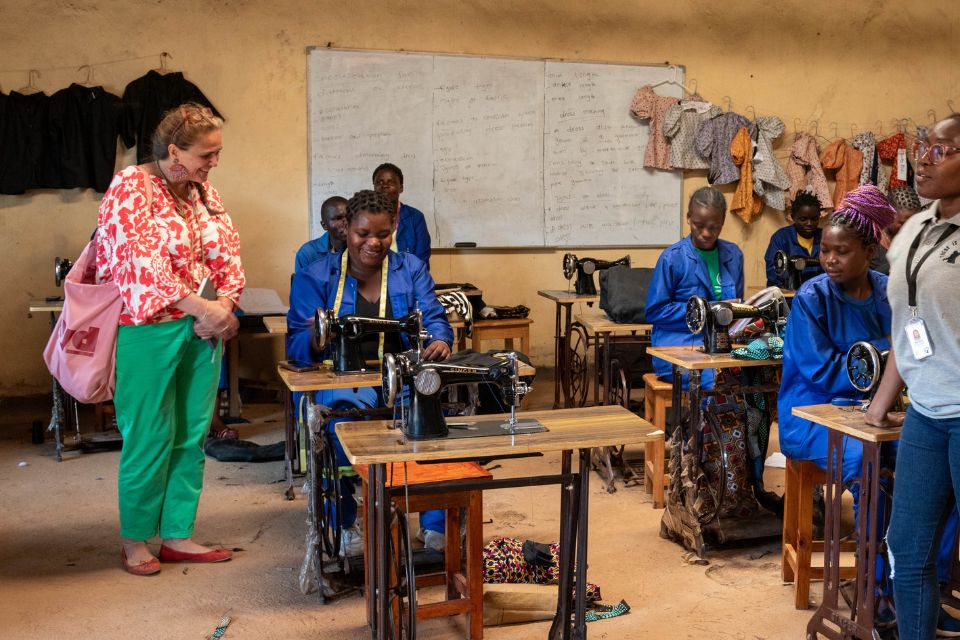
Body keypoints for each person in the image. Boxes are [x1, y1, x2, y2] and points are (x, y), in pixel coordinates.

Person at [95, 103, 244, 575]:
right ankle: (135, 539)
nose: (214, 162)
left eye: (218, 153)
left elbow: (226, 253)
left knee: (190, 435)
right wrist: (204, 310)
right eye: (208, 153)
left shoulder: (202, 191)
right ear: (174, 151)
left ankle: (178, 533)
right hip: (146, 330)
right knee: (149, 435)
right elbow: (136, 264)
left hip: (201, 330)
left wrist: (226, 309)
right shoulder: (129, 187)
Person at [287, 189, 452, 554]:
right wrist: (317, 337)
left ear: (394, 228)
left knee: (431, 418)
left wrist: (439, 339)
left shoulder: (410, 268)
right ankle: (343, 521)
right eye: (364, 234)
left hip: (401, 374)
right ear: (346, 229)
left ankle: (435, 523)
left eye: (383, 234)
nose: (374, 243)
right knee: (340, 423)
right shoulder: (316, 275)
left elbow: (434, 317)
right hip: (341, 376)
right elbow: (295, 344)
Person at [866, 115, 960, 638]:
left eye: (942, 150)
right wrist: (881, 404)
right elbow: (909, 325)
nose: (924, 157)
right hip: (926, 414)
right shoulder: (915, 229)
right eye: (925, 146)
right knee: (907, 549)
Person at [646, 186, 744, 388]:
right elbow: (655, 311)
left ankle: (742, 421)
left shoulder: (733, 255)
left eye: (714, 227)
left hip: (720, 346)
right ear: (689, 218)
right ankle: (703, 420)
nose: (706, 233)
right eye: (699, 225)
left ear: (723, 222)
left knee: (760, 375)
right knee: (717, 381)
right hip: (678, 346)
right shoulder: (672, 258)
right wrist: (707, 310)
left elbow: (737, 307)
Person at [372, 163, 432, 269]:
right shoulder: (366, 218)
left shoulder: (415, 218)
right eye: (379, 182)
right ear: (374, 188)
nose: (385, 186)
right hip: (373, 280)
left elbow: (422, 262)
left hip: (408, 281)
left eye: (391, 182)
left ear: (401, 188)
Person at [764, 191, 823, 288]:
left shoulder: (825, 238)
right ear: (793, 217)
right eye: (803, 219)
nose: (809, 223)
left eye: (814, 219)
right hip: (788, 296)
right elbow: (773, 272)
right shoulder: (781, 238)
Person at [869, 185, 924, 275]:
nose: (910, 227)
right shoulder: (869, 240)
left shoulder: (917, 238)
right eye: (902, 223)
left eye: (914, 221)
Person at [293, 195, 348, 273]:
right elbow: (303, 284)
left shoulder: (363, 249)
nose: (346, 222)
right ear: (324, 225)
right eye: (338, 218)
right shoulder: (308, 253)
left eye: (349, 216)